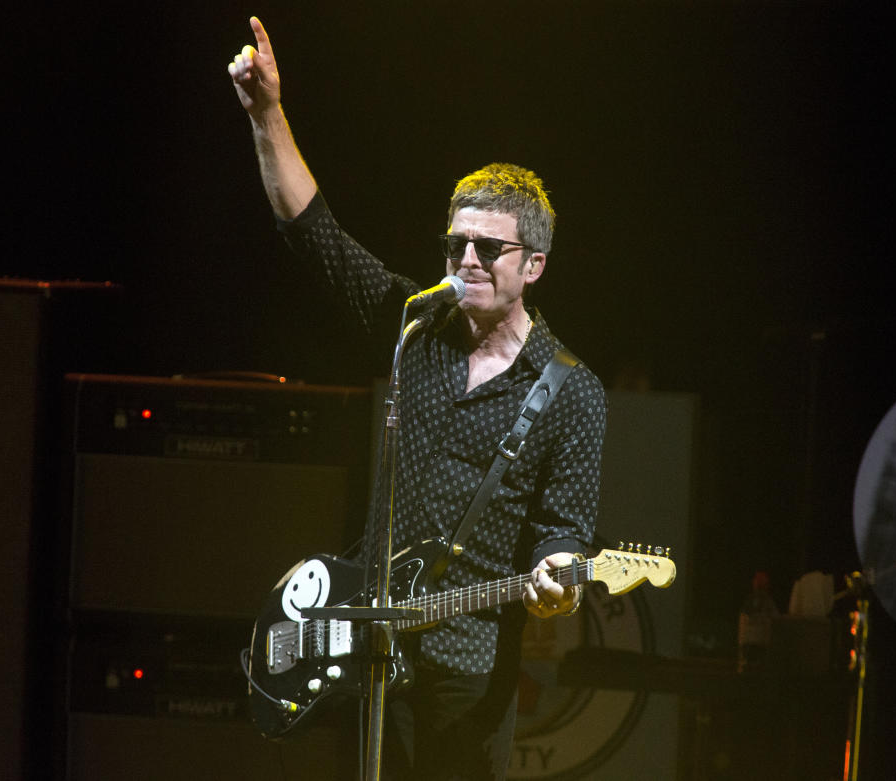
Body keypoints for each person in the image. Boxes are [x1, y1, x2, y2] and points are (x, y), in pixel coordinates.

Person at [228, 16, 606, 780]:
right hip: (369, 642)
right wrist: (267, 113)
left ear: (533, 264)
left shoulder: (573, 391)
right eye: (456, 243)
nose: (466, 259)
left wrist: (555, 584)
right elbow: (315, 235)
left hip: (467, 668)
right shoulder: (417, 327)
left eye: (488, 248)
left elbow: (564, 533)